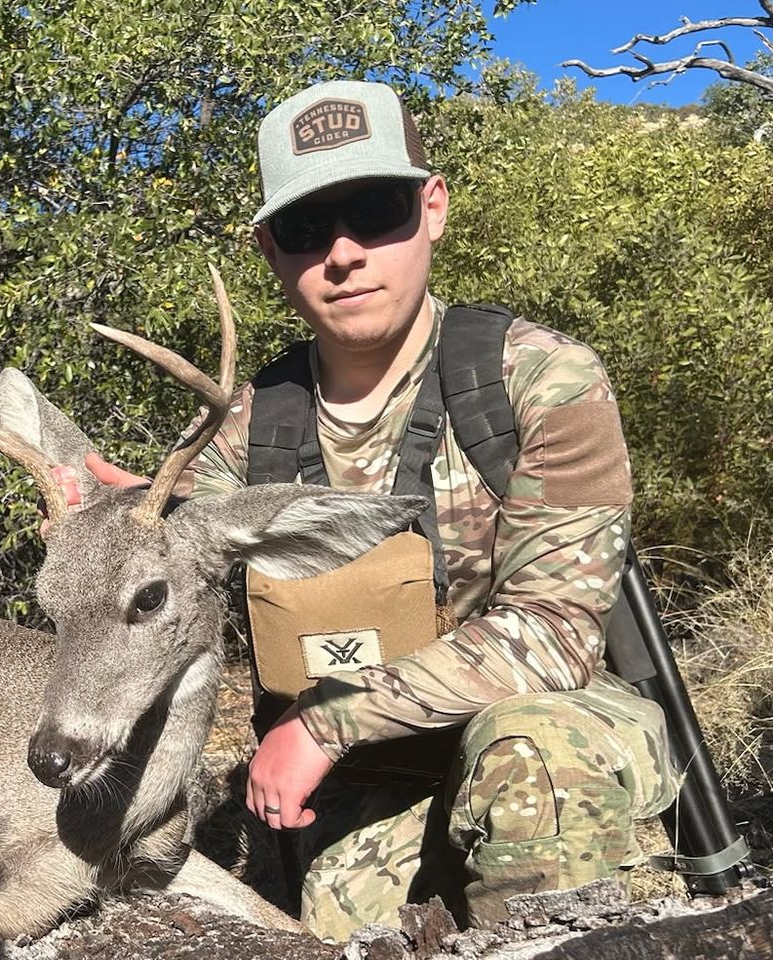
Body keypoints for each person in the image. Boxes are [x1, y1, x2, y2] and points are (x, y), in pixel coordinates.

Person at [51, 79, 678, 941]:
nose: (343, 253)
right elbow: (176, 550)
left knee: (536, 762)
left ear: (432, 207)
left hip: (539, 722)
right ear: (271, 249)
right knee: (345, 918)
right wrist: (115, 523)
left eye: (376, 211)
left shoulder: (537, 382)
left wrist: (326, 722)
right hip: (374, 770)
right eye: (308, 230)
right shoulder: (245, 425)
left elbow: (555, 633)